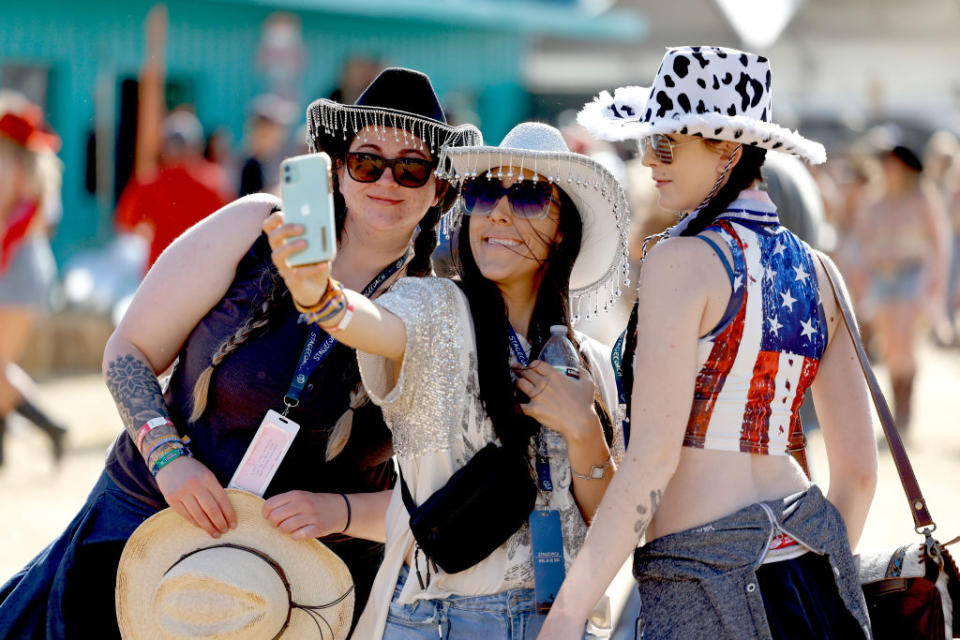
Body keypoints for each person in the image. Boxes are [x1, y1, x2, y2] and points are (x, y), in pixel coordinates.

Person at [0, 66, 481, 640]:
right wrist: (169, 459)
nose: (387, 181)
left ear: (440, 188)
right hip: (150, 526)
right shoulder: (255, 226)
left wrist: (341, 512)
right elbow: (128, 351)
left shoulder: (444, 306)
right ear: (338, 169)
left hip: (308, 588)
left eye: (412, 168)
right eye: (367, 161)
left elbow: (447, 492)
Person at [541, 46, 878, 639]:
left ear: (727, 147)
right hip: (810, 561)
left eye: (668, 143)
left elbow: (652, 460)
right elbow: (859, 473)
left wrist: (569, 611)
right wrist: (823, 585)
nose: (649, 159)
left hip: (702, 579)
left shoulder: (682, 261)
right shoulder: (820, 272)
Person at [264, 121, 630, 639]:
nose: (498, 211)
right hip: (440, 621)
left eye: (526, 195)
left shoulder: (589, 361)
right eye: (485, 192)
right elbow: (373, 324)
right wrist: (320, 297)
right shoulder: (433, 308)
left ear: (562, 227)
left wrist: (584, 432)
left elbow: (610, 526)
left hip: (560, 624)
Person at [853, 143, 950, 430]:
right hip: (882, 278)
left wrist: (935, 280)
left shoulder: (922, 199)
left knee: (905, 341)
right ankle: (898, 407)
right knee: (891, 346)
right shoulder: (873, 201)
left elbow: (939, 242)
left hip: (913, 276)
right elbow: (861, 241)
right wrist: (862, 277)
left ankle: (906, 409)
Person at [0, 91, 67, 468]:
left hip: (15, 266)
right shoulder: (38, 165)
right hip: (27, 263)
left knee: (0, 367)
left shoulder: (10, 165)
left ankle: (52, 427)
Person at [114, 109, 232, 272]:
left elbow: (125, 221)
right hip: (203, 273)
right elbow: (229, 229)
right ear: (197, 145)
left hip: (160, 272)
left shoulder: (150, 181)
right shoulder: (215, 180)